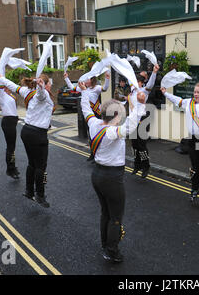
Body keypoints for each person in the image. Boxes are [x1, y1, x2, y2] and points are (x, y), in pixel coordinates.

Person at [78, 80, 146, 263]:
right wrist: (139, 104)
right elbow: (131, 126)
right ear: (116, 116)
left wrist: (84, 92)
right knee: (116, 217)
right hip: (112, 178)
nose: (123, 117)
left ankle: (105, 244)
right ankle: (112, 250)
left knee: (105, 212)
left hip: (97, 175)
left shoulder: (94, 124)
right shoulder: (112, 132)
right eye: (121, 114)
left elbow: (86, 108)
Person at [0, 73, 55, 208]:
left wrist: (1, 78)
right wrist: (41, 87)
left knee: (32, 164)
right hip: (38, 134)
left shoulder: (27, 91)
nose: (51, 85)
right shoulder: (42, 94)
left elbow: (14, 87)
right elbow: (41, 95)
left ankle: (29, 191)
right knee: (41, 166)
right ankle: (40, 194)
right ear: (45, 84)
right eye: (49, 83)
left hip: (27, 131)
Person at [64, 72, 110, 161]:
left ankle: (99, 153)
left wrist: (107, 79)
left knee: (98, 134)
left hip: (96, 114)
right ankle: (92, 153)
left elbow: (105, 88)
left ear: (92, 80)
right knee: (90, 134)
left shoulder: (96, 88)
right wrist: (66, 78)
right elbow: (72, 87)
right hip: (88, 114)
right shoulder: (83, 89)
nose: (85, 80)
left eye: (87, 79)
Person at [128, 64, 159, 178]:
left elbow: (150, 84)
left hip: (142, 121)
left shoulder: (143, 92)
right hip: (132, 121)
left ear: (140, 83)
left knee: (141, 146)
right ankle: (137, 165)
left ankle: (146, 166)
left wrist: (154, 73)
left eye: (135, 81)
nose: (132, 83)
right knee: (134, 145)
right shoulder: (131, 93)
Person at [0, 81, 20, 180]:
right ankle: (10, 169)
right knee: (11, 147)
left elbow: (13, 104)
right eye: (5, 86)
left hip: (12, 121)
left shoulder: (8, 95)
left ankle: (12, 168)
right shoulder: (0, 97)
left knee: (12, 147)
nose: (8, 87)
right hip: (8, 122)